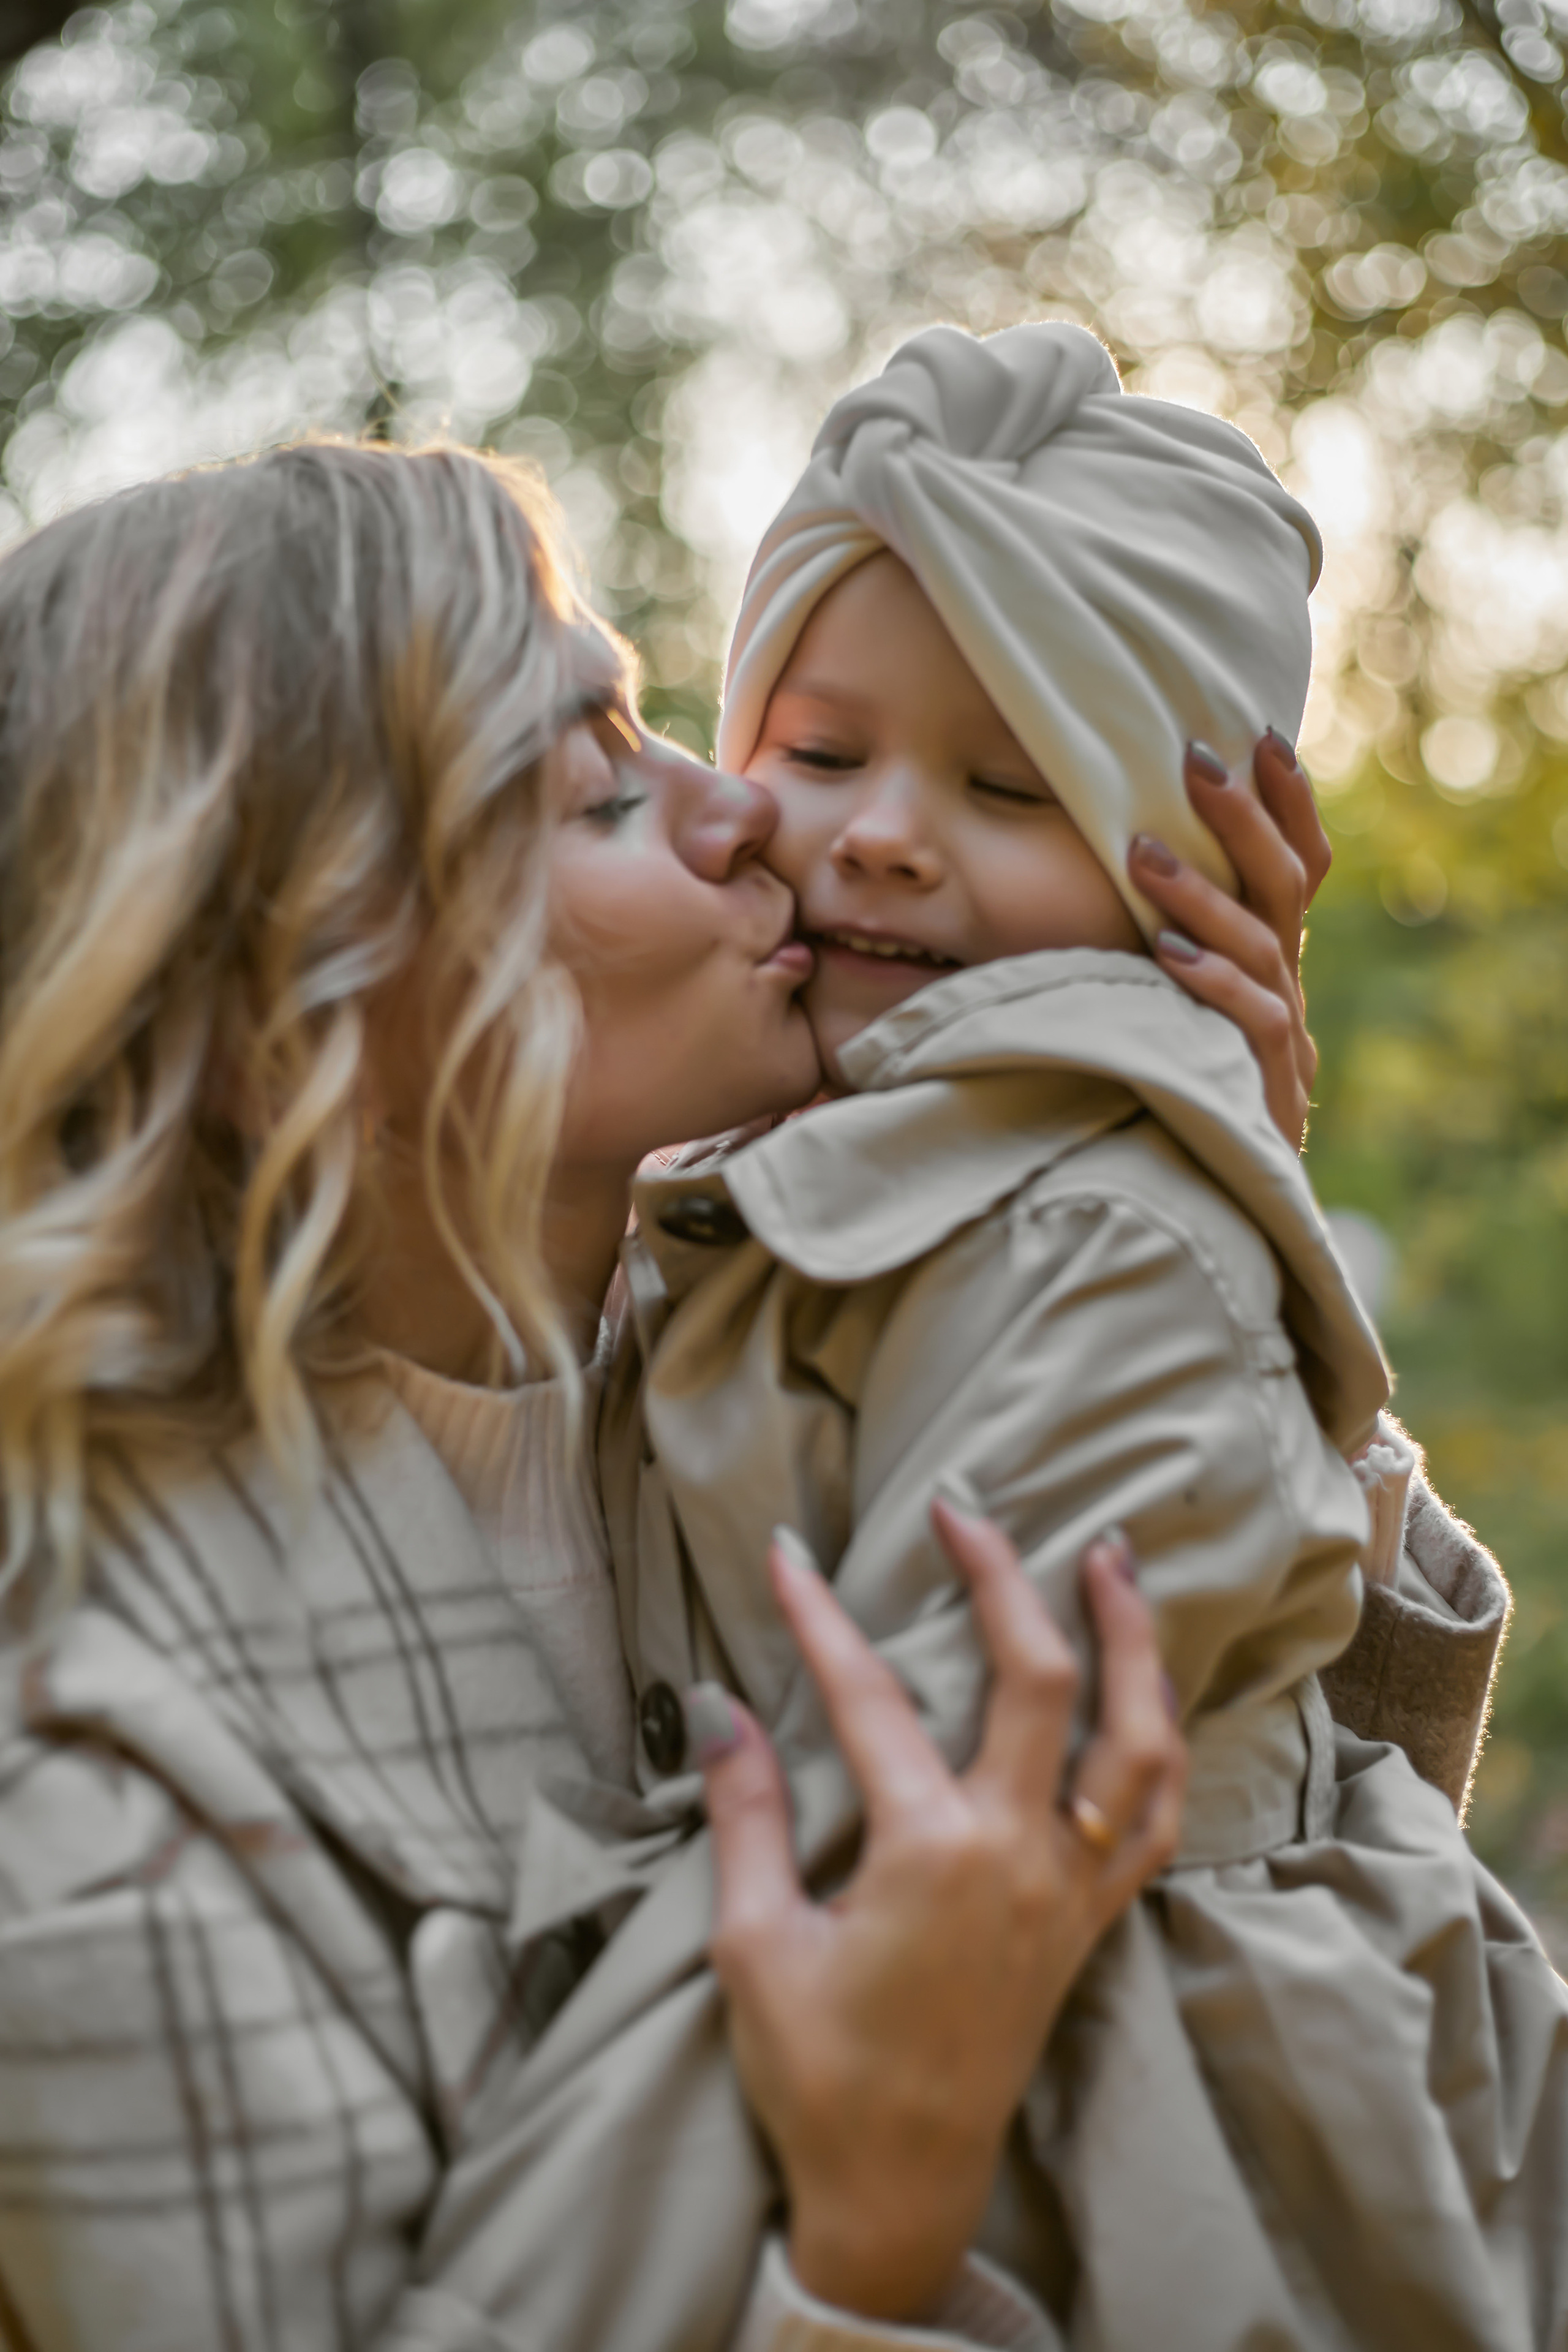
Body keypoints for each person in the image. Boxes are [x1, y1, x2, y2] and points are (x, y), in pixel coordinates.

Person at [0, 432, 1509, 2352]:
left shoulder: (789, 1333)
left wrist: (1201, 1244)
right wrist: (856, 2257)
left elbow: (1271, 1937)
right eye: (605, 790)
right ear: (283, 1004)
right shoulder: (85, 1786)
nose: (750, 814)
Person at [439, 321, 1564, 2352]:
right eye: (822, 750)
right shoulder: (756, 1175)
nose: (877, 835)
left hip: (1145, 2172)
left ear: (1195, 871)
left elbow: (882, 1851)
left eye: (1012, 780)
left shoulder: (1094, 1241)